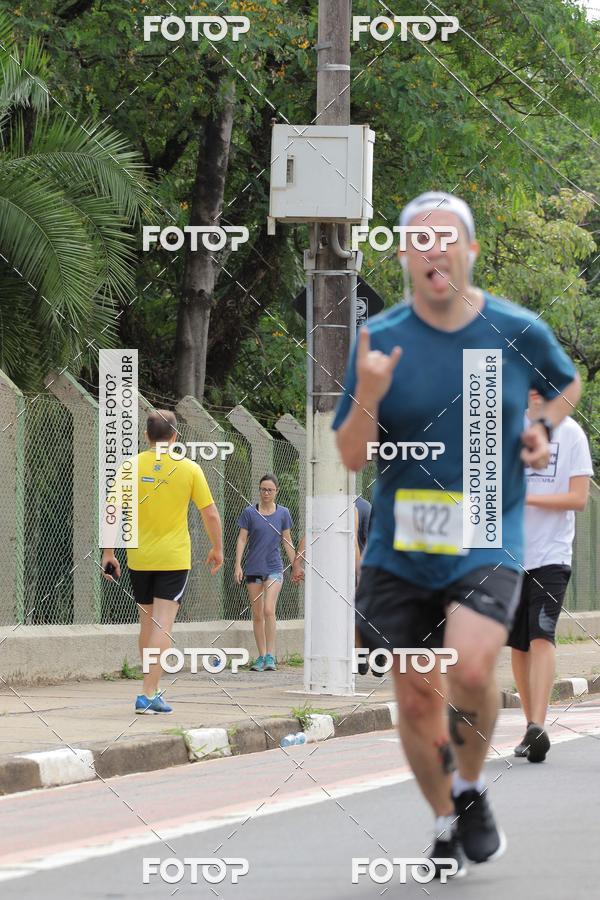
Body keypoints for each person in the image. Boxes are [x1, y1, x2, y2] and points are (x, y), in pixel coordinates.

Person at [333, 191, 581, 877]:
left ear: (469, 251)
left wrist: (542, 429)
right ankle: (447, 817)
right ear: (406, 255)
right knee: (414, 694)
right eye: (419, 239)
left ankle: (469, 786)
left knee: (471, 668)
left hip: (483, 531)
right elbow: (352, 455)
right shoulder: (378, 338)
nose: (433, 248)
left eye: (447, 237)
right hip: (401, 545)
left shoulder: (515, 328)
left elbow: (565, 383)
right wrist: (370, 397)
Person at [101, 410, 223, 714]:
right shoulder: (189, 468)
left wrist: (108, 553)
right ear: (175, 437)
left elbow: (112, 510)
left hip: (139, 556)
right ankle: (148, 692)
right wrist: (218, 548)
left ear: (146, 436)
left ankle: (150, 686)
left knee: (147, 622)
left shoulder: (131, 466)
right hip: (173, 557)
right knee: (163, 624)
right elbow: (210, 513)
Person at [509, 390, 593, 762]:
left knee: (542, 632)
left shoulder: (571, 433)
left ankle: (539, 725)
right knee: (519, 643)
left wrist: (525, 497)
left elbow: (578, 498)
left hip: (552, 554)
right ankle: (530, 725)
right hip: (508, 555)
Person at [235, 474, 295, 671]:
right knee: (257, 613)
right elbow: (242, 539)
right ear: (259, 490)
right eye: (263, 489)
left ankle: (271, 655)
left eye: (270, 489)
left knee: (269, 609)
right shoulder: (249, 513)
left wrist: (296, 564)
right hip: (253, 568)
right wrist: (238, 565)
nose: (266, 493)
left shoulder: (283, 513)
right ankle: (261, 656)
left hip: (274, 568)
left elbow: (287, 540)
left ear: (276, 491)